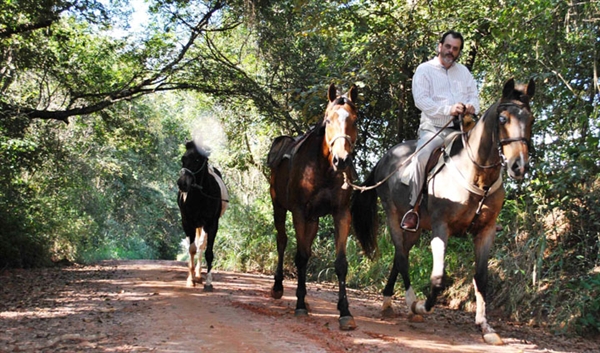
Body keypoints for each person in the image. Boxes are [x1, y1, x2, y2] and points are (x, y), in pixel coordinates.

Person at [401, 30, 480, 232]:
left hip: (463, 129)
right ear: (440, 46)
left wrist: (471, 106)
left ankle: (484, 210)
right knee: (421, 157)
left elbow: (474, 96)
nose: (450, 51)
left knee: (488, 153)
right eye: (448, 46)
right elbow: (421, 100)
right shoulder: (425, 70)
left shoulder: (464, 72)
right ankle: (414, 209)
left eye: (455, 49)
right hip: (434, 129)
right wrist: (448, 110)